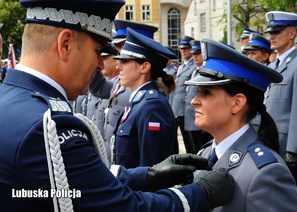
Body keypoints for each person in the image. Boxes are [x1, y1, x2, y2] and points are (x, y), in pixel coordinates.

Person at [0, 0, 235, 211]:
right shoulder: (46, 127)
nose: (102, 66)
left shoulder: (12, 100)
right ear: (66, 44)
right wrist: (200, 193)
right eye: (98, 51)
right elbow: (124, 207)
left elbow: (79, 183)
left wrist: (148, 176)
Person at [185, 38, 297, 211]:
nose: (195, 101)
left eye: (206, 93)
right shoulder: (207, 153)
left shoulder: (265, 172)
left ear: (237, 103)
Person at [89, 20, 159, 164]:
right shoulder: (119, 83)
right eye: (118, 46)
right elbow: (98, 88)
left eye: (122, 46)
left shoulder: (147, 91)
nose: (118, 52)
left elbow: (150, 158)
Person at [112, 28, 177, 168]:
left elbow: (150, 172)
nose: (118, 67)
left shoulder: (152, 107)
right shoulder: (139, 101)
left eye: (124, 61)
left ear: (145, 67)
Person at [264, 11, 297, 191]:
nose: (272, 36)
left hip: (286, 145)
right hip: (269, 141)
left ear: (292, 33)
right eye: (270, 32)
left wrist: (294, 150)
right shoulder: (272, 67)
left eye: (277, 32)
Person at [185, 40, 212, 153]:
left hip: (201, 121)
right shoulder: (195, 72)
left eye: (198, 54)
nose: (195, 57)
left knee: (201, 151)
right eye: (193, 54)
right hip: (191, 118)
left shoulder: (207, 72)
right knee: (193, 150)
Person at [172, 35, 197, 153]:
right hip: (178, 108)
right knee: (185, 140)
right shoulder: (182, 67)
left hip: (187, 107)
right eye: (181, 49)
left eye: (186, 48)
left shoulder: (194, 66)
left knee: (191, 141)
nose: (183, 51)